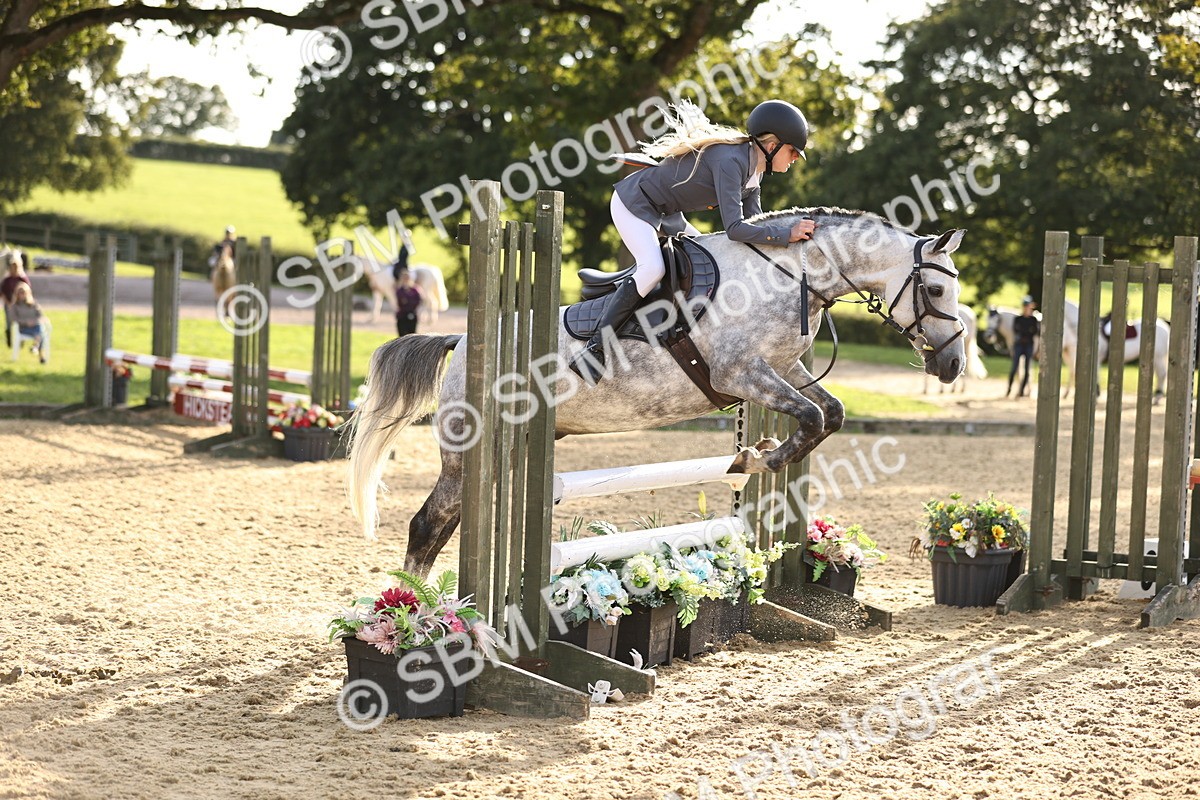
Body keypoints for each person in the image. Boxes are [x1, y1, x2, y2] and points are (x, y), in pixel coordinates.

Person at [568, 100, 815, 384]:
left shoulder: (753, 171)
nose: (795, 159)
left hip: (667, 214)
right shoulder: (731, 161)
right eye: (793, 151)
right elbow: (735, 229)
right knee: (653, 269)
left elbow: (755, 226)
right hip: (635, 203)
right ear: (772, 146)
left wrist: (791, 241)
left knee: (713, 260)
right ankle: (594, 348)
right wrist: (786, 234)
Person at [1007, 296, 1039, 398]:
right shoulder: (1018, 319)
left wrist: (1025, 334)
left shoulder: (1033, 320)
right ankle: (1009, 389)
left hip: (1028, 345)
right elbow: (1016, 330)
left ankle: (1021, 391)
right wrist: (1026, 334)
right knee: (1014, 368)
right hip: (1019, 345)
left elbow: (1034, 331)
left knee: (1027, 369)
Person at [1, 249, 32, 348]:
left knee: (21, 322)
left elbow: (28, 291)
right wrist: (9, 303)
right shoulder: (7, 280)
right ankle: (9, 340)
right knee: (9, 322)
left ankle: (21, 340)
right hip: (9, 304)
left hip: (20, 305)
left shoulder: (22, 279)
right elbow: (2, 293)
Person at [10, 283, 47, 363]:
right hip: (23, 328)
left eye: (24, 293)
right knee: (40, 334)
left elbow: (40, 316)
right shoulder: (15, 306)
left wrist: (34, 321)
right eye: (20, 293)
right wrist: (26, 322)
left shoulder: (33, 304)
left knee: (39, 329)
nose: (22, 295)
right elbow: (14, 319)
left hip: (35, 326)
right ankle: (39, 353)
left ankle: (36, 347)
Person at [394, 271, 426, 337]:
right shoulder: (399, 290)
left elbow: (420, 300)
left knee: (412, 335)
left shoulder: (415, 289)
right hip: (402, 314)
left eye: (407, 278)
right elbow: (399, 302)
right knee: (402, 335)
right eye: (404, 278)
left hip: (412, 313)